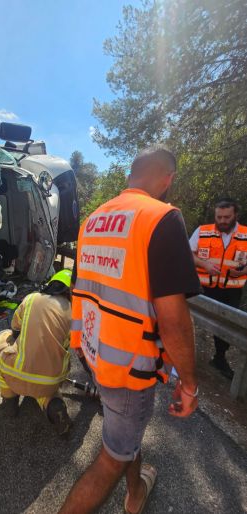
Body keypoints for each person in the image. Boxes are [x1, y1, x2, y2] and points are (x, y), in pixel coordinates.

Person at [60, 147, 200, 514]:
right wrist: (188, 384)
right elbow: (173, 319)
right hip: (129, 371)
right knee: (111, 459)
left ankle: (135, 494)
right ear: (167, 178)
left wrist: (79, 345)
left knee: (125, 437)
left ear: (130, 174)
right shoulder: (161, 217)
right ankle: (129, 488)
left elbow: (81, 290)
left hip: (96, 354)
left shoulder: (92, 221)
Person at [0, 269, 72, 435]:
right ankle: (52, 404)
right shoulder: (75, 313)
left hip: (16, 372)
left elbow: (15, 327)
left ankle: (9, 401)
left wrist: (17, 339)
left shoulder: (32, 298)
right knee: (44, 386)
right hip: (50, 380)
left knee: (3, 337)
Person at [190, 199, 247, 379]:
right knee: (191, 320)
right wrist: (204, 264)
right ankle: (187, 355)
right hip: (203, 287)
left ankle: (220, 358)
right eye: (219, 217)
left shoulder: (246, 235)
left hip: (231, 289)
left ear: (235, 215)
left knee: (226, 326)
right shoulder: (203, 231)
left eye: (226, 217)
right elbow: (188, 253)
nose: (222, 220)